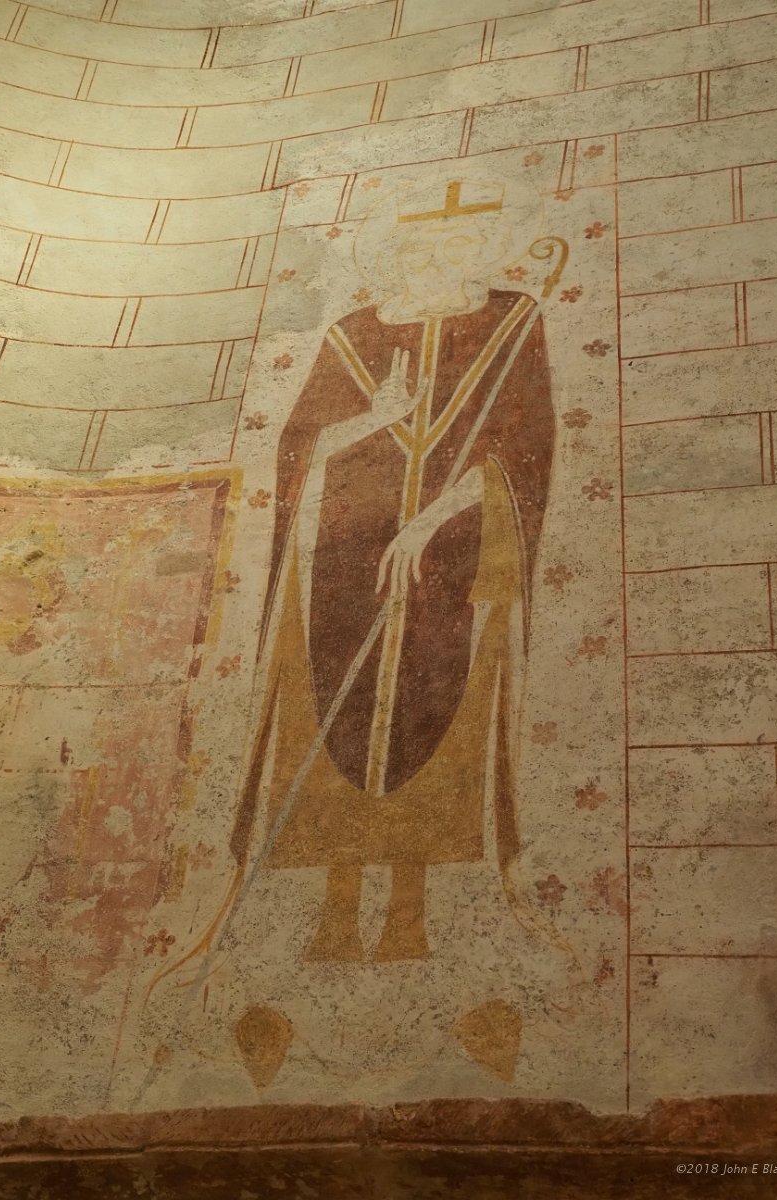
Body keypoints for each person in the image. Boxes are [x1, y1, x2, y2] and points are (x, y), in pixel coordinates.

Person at [227, 178, 557, 962]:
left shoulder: (513, 323)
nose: (439, 260)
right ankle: (336, 914)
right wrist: (374, 419)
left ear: (481, 252)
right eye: (423, 249)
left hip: (457, 567)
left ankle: (410, 914)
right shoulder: (351, 335)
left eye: (459, 246)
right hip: (344, 574)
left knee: (444, 721)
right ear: (397, 257)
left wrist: (430, 522)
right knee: (331, 721)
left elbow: (523, 449)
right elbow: (302, 448)